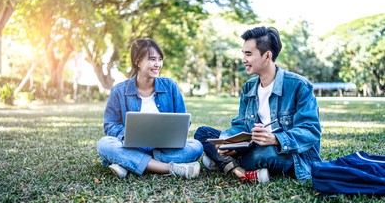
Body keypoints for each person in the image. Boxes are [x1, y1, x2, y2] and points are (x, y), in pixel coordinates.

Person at [194, 26, 321, 182]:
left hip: (287, 152)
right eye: (243, 54)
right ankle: (237, 168)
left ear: (267, 56)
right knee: (203, 133)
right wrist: (228, 142)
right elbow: (241, 124)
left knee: (264, 153)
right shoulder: (249, 87)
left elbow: (311, 131)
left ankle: (223, 163)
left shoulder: (299, 86)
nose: (243, 60)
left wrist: (275, 138)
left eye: (249, 54)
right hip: (252, 145)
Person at [97, 38, 203, 179]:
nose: (157, 64)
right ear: (137, 61)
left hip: (164, 149)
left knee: (196, 146)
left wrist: (175, 132)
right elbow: (110, 125)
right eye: (152, 59)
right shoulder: (119, 91)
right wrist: (127, 134)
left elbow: (183, 120)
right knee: (104, 144)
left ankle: (128, 164)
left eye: (160, 59)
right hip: (132, 147)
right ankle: (168, 168)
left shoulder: (170, 86)